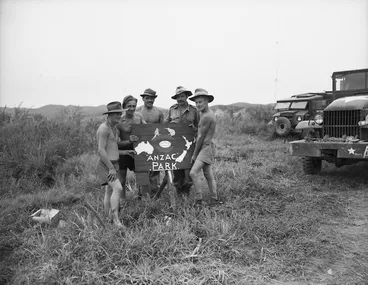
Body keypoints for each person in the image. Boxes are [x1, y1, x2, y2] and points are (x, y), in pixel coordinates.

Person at [96, 101, 134, 228]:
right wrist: (111, 168)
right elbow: (101, 150)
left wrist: (126, 152)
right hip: (107, 165)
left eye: (120, 114)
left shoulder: (112, 128)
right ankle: (116, 221)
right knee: (118, 188)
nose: (119, 116)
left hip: (114, 163)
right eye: (116, 114)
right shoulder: (104, 129)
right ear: (109, 115)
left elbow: (112, 149)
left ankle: (107, 217)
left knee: (108, 191)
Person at [157, 86, 199, 197]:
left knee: (188, 168)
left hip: (189, 145)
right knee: (177, 167)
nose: (180, 99)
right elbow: (166, 123)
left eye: (182, 96)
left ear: (186, 97)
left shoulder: (194, 111)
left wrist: (195, 129)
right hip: (174, 144)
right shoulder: (172, 109)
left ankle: (187, 191)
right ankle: (179, 191)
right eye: (178, 97)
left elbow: (200, 127)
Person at [189, 88, 221, 206]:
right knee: (208, 174)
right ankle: (214, 199)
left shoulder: (207, 116)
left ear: (207, 101)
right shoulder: (204, 113)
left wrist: (194, 154)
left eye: (201, 102)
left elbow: (201, 138)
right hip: (208, 146)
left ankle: (199, 200)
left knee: (193, 173)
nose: (198, 104)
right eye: (196, 102)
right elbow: (202, 131)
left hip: (205, 147)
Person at [116, 95, 146, 199]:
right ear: (124, 106)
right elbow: (115, 143)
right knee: (122, 179)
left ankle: (140, 196)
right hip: (124, 152)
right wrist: (129, 141)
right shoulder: (119, 121)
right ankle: (122, 200)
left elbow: (148, 130)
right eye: (129, 106)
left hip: (137, 150)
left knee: (141, 176)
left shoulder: (139, 117)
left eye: (134, 106)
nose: (132, 108)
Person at [139, 88, 165, 196]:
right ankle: (142, 193)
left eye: (152, 98)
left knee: (155, 169)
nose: (150, 100)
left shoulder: (158, 112)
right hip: (141, 145)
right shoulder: (137, 112)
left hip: (155, 145)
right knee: (142, 169)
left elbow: (163, 129)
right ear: (143, 99)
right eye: (147, 98)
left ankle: (155, 192)